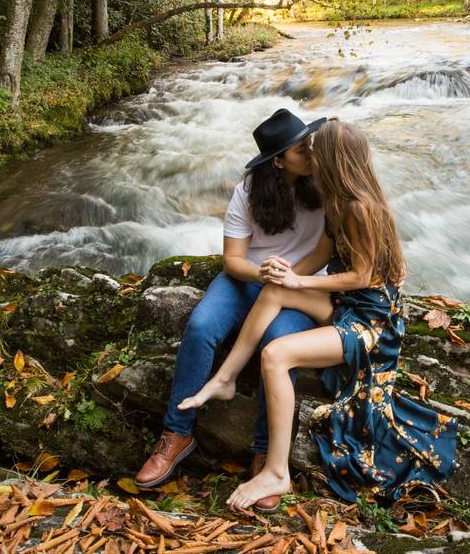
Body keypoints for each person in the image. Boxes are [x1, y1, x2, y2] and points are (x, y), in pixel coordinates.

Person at [179, 119, 459, 511]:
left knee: (276, 355)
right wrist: (289, 276)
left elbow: (362, 276)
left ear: (332, 159)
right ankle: (225, 378)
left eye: (315, 148)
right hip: (348, 307)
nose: (310, 152)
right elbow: (319, 258)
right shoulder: (337, 201)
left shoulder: (360, 208)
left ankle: (276, 471)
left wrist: (300, 284)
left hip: (371, 323)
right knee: (276, 288)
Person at [135, 108, 334, 497]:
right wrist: (263, 275)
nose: (311, 152)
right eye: (300, 149)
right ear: (278, 161)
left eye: (309, 143)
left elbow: (326, 252)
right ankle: (176, 434)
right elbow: (233, 260)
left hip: (304, 282)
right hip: (249, 278)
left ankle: (265, 455)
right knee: (201, 327)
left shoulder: (325, 183)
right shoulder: (250, 189)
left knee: (277, 345)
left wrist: (290, 279)